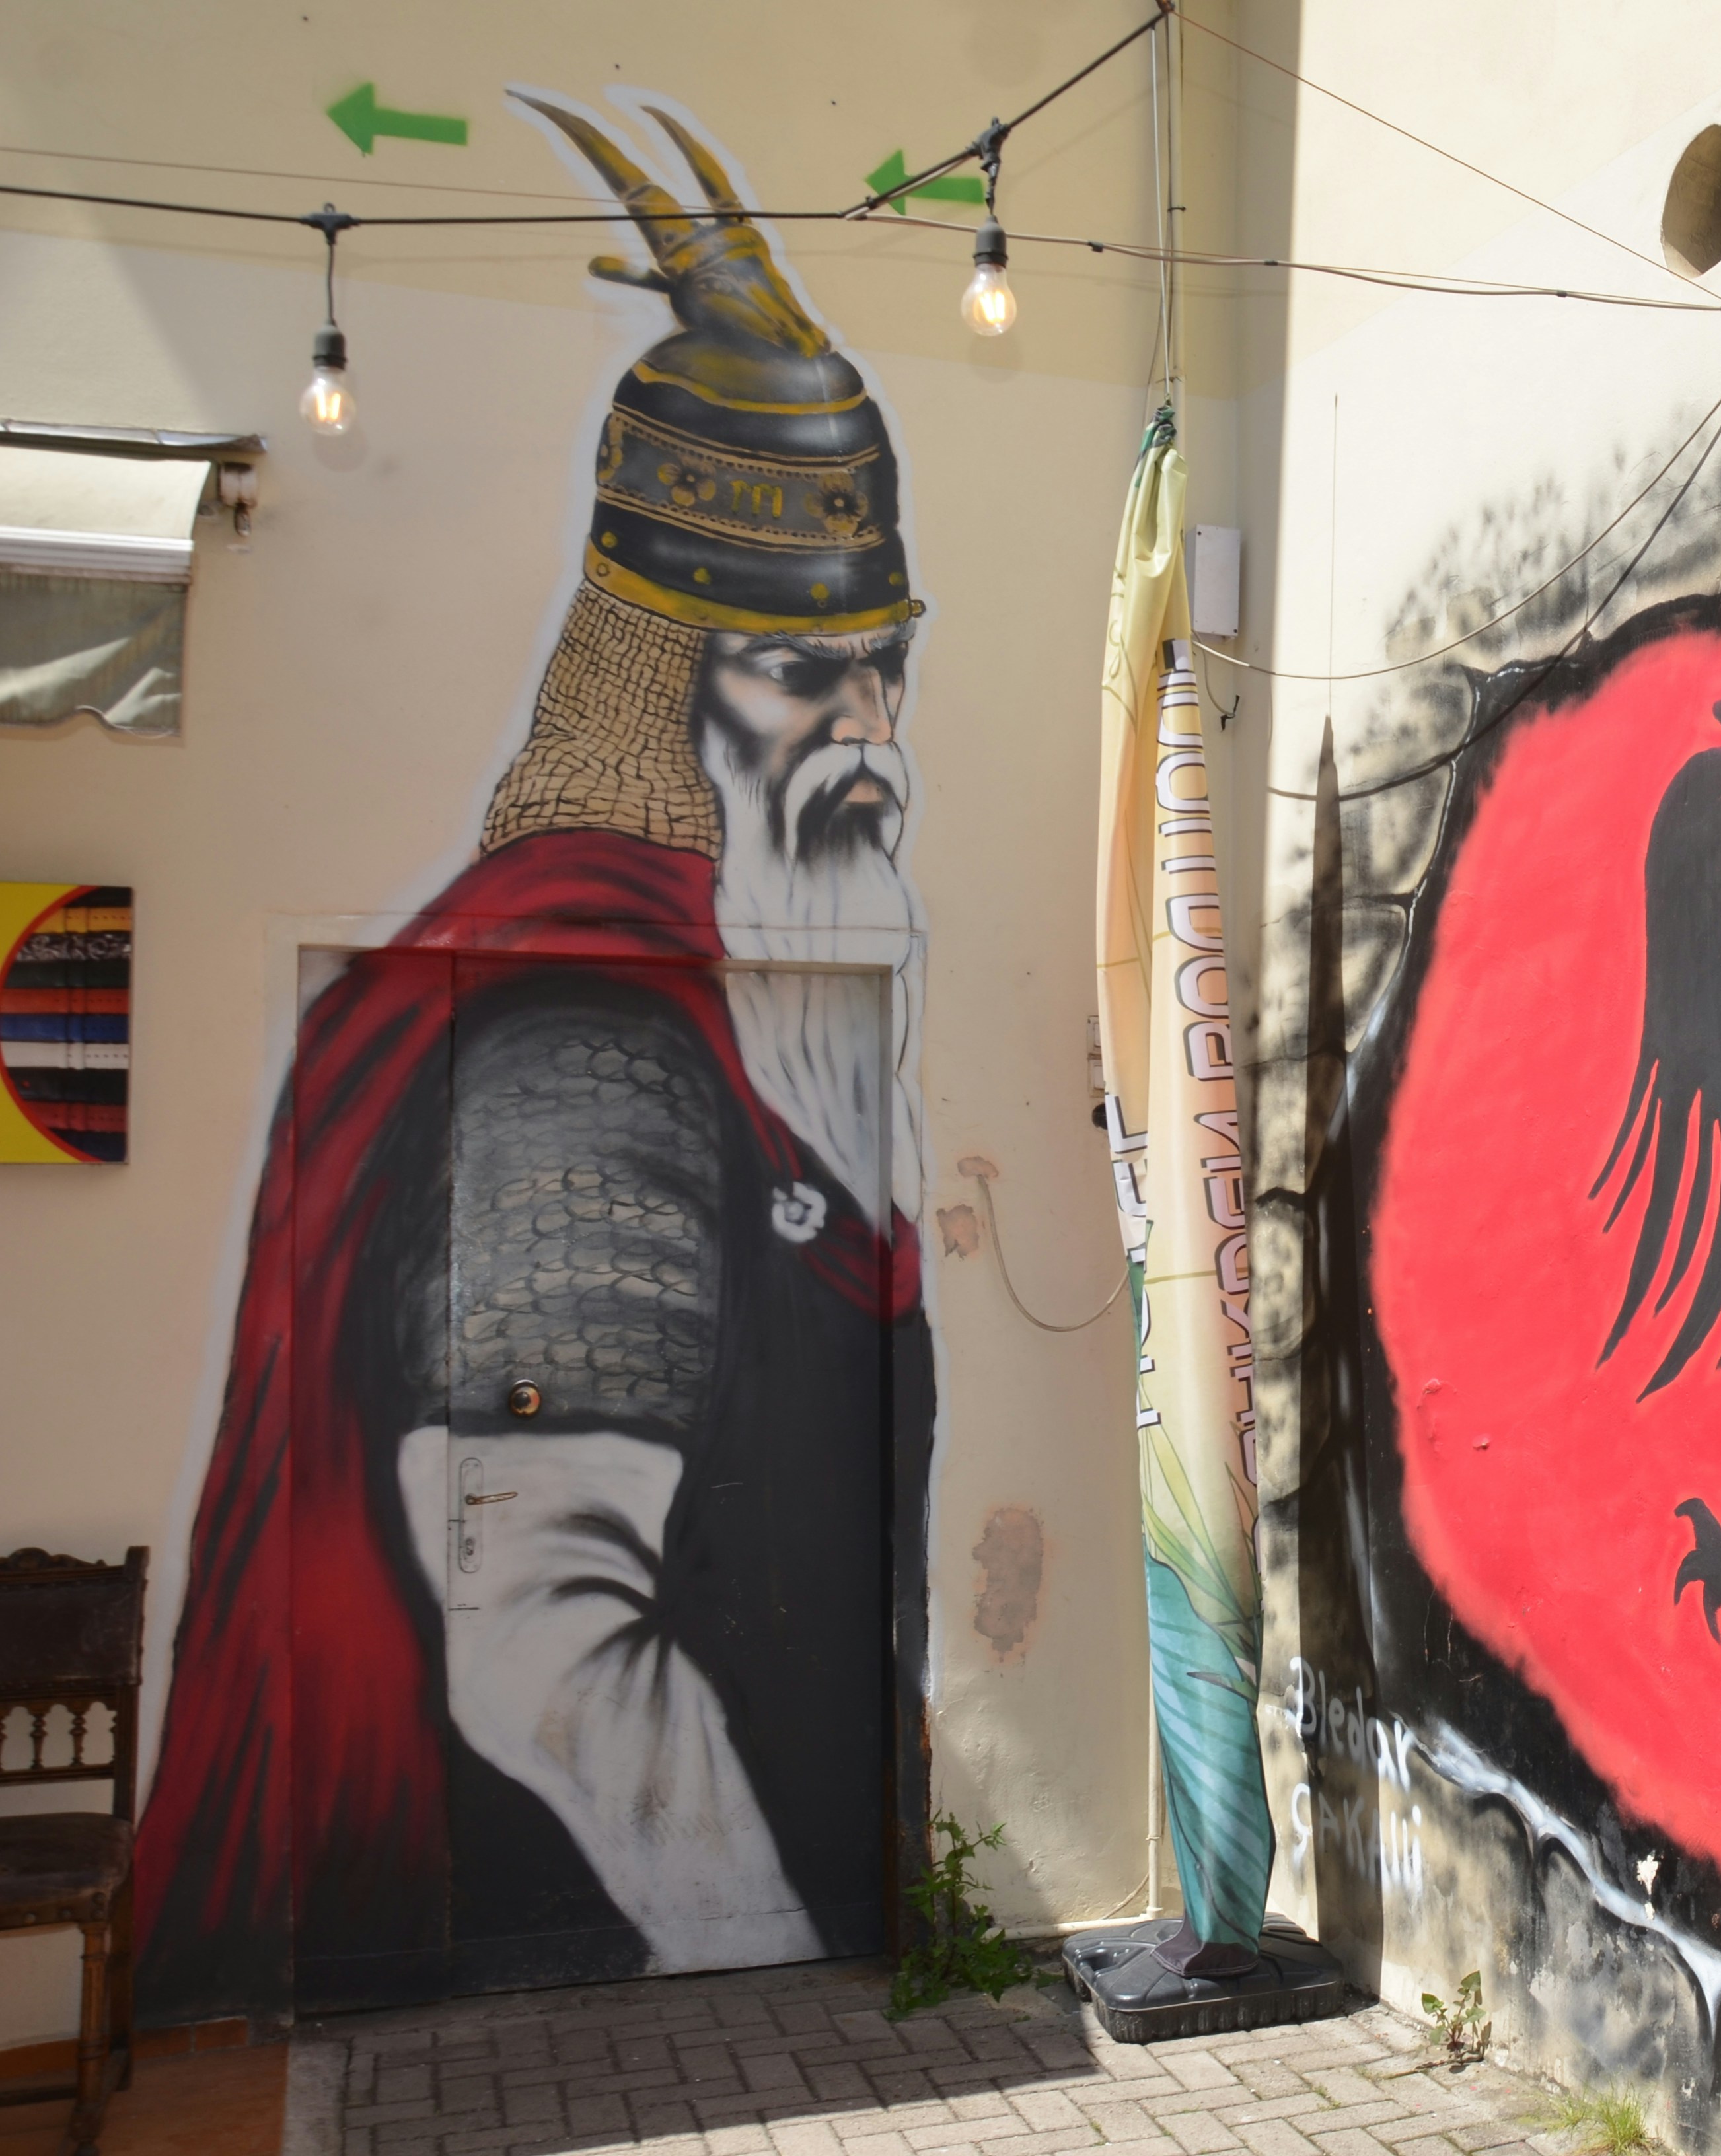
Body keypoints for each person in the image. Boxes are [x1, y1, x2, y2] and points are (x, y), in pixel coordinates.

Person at [132, 96, 937, 2016]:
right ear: (660, 666)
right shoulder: (587, 1027)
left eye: (879, 662)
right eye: (806, 665)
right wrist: (764, 1957)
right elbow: (544, 1638)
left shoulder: (658, 990)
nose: (871, 723)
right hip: (507, 1945)